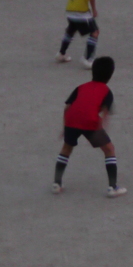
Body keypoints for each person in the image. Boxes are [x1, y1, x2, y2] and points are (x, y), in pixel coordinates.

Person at [51, 56, 126, 197]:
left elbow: (67, 107)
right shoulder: (106, 91)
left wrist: (64, 127)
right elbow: (105, 113)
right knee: (109, 150)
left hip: (71, 120)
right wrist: (101, 130)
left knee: (66, 148)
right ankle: (113, 187)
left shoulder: (81, 87)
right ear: (110, 75)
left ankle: (57, 184)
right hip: (91, 122)